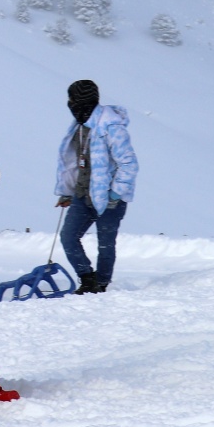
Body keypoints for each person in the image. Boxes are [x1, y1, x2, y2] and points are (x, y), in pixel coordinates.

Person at [55, 79, 137, 294]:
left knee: (105, 245)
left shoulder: (112, 129)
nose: (70, 104)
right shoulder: (79, 127)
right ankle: (87, 278)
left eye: (72, 99)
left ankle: (100, 285)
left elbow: (129, 164)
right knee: (68, 237)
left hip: (111, 199)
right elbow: (72, 163)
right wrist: (66, 191)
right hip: (83, 195)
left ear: (83, 102)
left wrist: (115, 193)